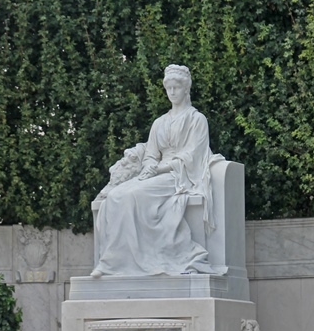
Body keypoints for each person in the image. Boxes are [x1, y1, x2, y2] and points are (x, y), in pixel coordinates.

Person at [90, 65, 223, 277]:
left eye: (176, 87)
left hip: (179, 175)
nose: (172, 92)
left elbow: (193, 155)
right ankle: (113, 261)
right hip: (155, 173)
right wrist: (150, 165)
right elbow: (151, 153)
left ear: (186, 89)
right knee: (115, 196)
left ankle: (120, 262)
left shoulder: (197, 120)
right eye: (168, 87)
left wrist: (160, 168)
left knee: (132, 195)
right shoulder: (159, 122)